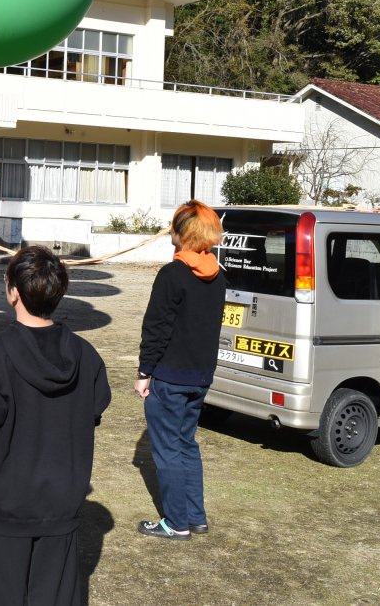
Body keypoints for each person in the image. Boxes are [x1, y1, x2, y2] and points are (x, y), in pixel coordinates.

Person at [0, 246, 111, 605]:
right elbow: (92, 414)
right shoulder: (86, 356)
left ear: (12, 292)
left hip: (4, 507)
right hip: (61, 503)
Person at [135, 199, 225, 540]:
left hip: (171, 377)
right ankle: (195, 516)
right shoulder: (219, 277)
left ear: (182, 233)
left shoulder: (172, 275)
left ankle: (177, 522)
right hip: (200, 376)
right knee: (186, 443)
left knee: (169, 449)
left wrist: (144, 373)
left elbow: (156, 327)